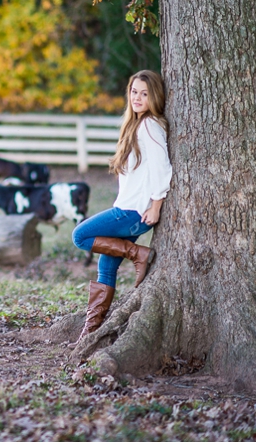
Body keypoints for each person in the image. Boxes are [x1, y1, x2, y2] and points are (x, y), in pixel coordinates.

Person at [67, 69, 172, 350]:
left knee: (80, 236)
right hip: (131, 212)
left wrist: (157, 204)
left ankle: (137, 254)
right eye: (134, 92)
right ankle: (90, 335)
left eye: (144, 93)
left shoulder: (149, 125)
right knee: (105, 270)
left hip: (132, 214)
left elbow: (163, 167)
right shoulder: (136, 125)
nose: (137, 97)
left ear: (155, 97)